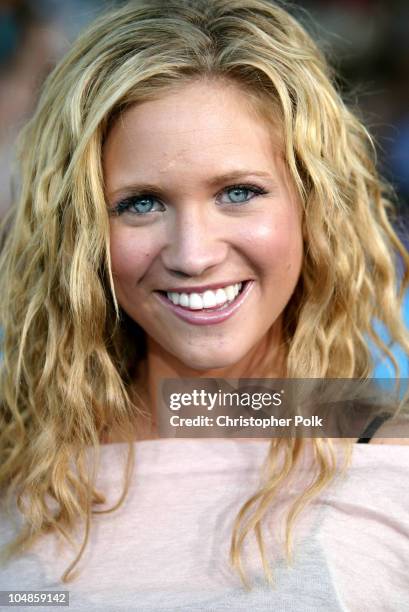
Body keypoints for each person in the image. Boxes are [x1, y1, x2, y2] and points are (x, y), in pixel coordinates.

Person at [0, 0, 409, 609]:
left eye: (238, 192)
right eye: (141, 203)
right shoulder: (21, 464)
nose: (193, 254)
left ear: (313, 203)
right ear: (80, 228)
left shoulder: (389, 451)